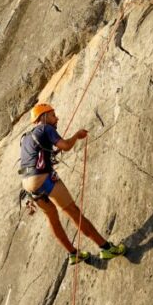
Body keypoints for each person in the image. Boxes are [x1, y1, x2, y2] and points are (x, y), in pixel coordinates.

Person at [19, 102, 126, 265]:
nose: (57, 118)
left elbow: (37, 156)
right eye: (53, 115)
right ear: (44, 117)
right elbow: (66, 146)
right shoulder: (46, 129)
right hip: (42, 178)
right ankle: (106, 248)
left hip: (28, 185)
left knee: (52, 218)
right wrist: (77, 135)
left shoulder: (26, 137)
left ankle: (73, 254)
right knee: (73, 212)